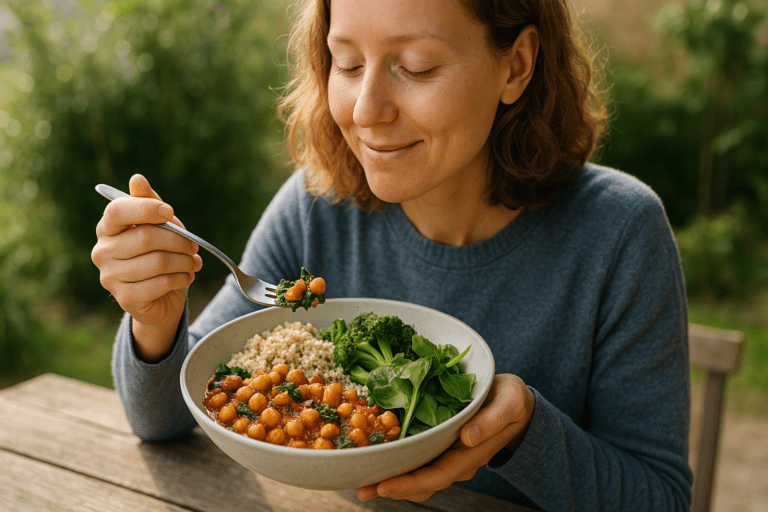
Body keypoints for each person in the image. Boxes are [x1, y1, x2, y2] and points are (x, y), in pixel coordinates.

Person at [91, 0, 693, 510]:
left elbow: (660, 496)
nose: (364, 109)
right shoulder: (314, 205)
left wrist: (526, 433)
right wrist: (158, 320)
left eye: (415, 66)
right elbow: (167, 420)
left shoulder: (619, 232)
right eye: (346, 63)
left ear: (516, 65)